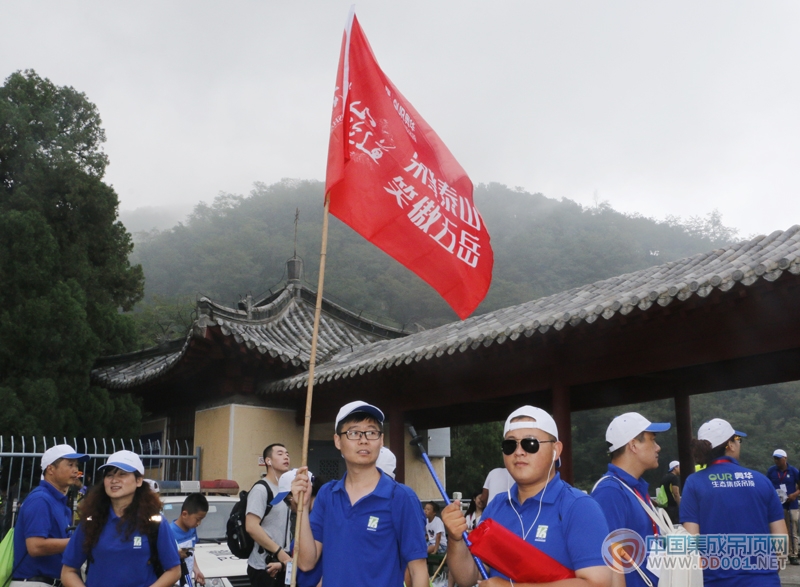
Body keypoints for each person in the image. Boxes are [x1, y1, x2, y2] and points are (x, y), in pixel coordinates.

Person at [442, 405, 611, 587]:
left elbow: (597, 583)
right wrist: (455, 538)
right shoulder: (497, 506)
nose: (519, 452)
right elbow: (469, 577)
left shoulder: (579, 507)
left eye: (530, 443)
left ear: (556, 450)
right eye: (510, 444)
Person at [291, 400, 429, 587]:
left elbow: (418, 569)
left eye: (371, 432)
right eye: (354, 433)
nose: (363, 440)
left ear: (381, 441)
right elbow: (306, 563)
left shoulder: (401, 497)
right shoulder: (327, 494)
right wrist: (303, 507)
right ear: (338, 441)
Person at [681, 419, 787, 586]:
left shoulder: (694, 483)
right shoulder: (761, 480)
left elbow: (691, 543)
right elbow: (781, 544)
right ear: (730, 445)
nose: (739, 444)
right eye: (737, 439)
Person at [61, 450, 181, 587]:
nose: (114, 480)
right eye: (109, 475)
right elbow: (68, 571)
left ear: (139, 481)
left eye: (122, 474)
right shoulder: (91, 521)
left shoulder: (154, 522)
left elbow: (174, 571)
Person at [591, 412, 670, 587]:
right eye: (652, 440)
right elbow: (610, 560)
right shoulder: (610, 492)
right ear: (633, 445)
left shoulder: (635, 488)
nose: (658, 447)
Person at [11, 444, 89, 587]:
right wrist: (80, 541)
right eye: (70, 464)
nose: (75, 470)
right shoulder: (41, 499)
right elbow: (35, 546)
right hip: (34, 582)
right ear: (50, 469)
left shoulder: (56, 501)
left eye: (76, 465)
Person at [246, 443, 292, 587]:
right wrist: (278, 551)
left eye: (287, 454)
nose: (286, 456)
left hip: (283, 564)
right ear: (268, 461)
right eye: (280, 453)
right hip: (263, 566)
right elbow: (251, 526)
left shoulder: (286, 490)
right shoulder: (261, 489)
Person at [766, 448, 800, 565]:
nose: (776, 461)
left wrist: (795, 494)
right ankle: (783, 554)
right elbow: (767, 485)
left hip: (793, 503)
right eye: (775, 458)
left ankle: (794, 554)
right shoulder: (772, 471)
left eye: (778, 458)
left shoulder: (793, 471)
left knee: (793, 528)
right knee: (782, 529)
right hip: (779, 504)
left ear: (785, 458)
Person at [169, 493, 209, 586]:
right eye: (198, 519)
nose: (199, 523)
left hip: (187, 579)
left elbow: (191, 552)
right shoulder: (169, 532)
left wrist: (196, 569)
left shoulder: (192, 529)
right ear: (184, 514)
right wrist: (176, 554)